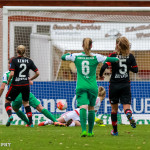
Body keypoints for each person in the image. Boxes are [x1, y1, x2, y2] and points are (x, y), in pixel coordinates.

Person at [61, 38, 119, 137]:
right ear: (91, 46)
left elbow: (63, 57)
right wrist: (117, 55)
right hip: (92, 86)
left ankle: (83, 130)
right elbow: (114, 60)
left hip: (81, 86)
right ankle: (91, 131)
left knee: (83, 107)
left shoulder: (76, 56)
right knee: (91, 108)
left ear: (82, 46)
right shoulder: (96, 57)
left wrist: (67, 54)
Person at [0, 58, 65, 127]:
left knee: (14, 108)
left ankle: (27, 122)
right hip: (26, 92)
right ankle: (55, 121)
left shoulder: (7, 74)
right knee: (40, 107)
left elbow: (2, 87)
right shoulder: (22, 72)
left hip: (16, 95)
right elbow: (31, 83)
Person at [99, 36, 138, 136]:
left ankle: (115, 131)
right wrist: (128, 66)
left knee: (114, 110)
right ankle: (128, 113)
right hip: (125, 84)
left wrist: (100, 75)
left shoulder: (113, 56)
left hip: (114, 85)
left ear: (117, 45)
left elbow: (104, 66)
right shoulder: (130, 56)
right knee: (126, 106)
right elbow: (135, 70)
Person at [5, 45, 39, 127]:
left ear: (17, 51)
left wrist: (9, 80)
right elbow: (37, 73)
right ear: (25, 51)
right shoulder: (29, 61)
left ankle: (10, 116)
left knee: (7, 101)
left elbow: (12, 74)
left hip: (16, 84)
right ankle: (31, 123)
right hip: (25, 85)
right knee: (26, 103)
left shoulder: (14, 60)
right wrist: (30, 79)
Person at [38, 86, 106, 127]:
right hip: (78, 113)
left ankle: (66, 124)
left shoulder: (97, 100)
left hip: (79, 115)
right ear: (104, 95)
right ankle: (46, 122)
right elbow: (88, 108)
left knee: (77, 124)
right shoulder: (97, 100)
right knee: (57, 121)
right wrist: (97, 120)